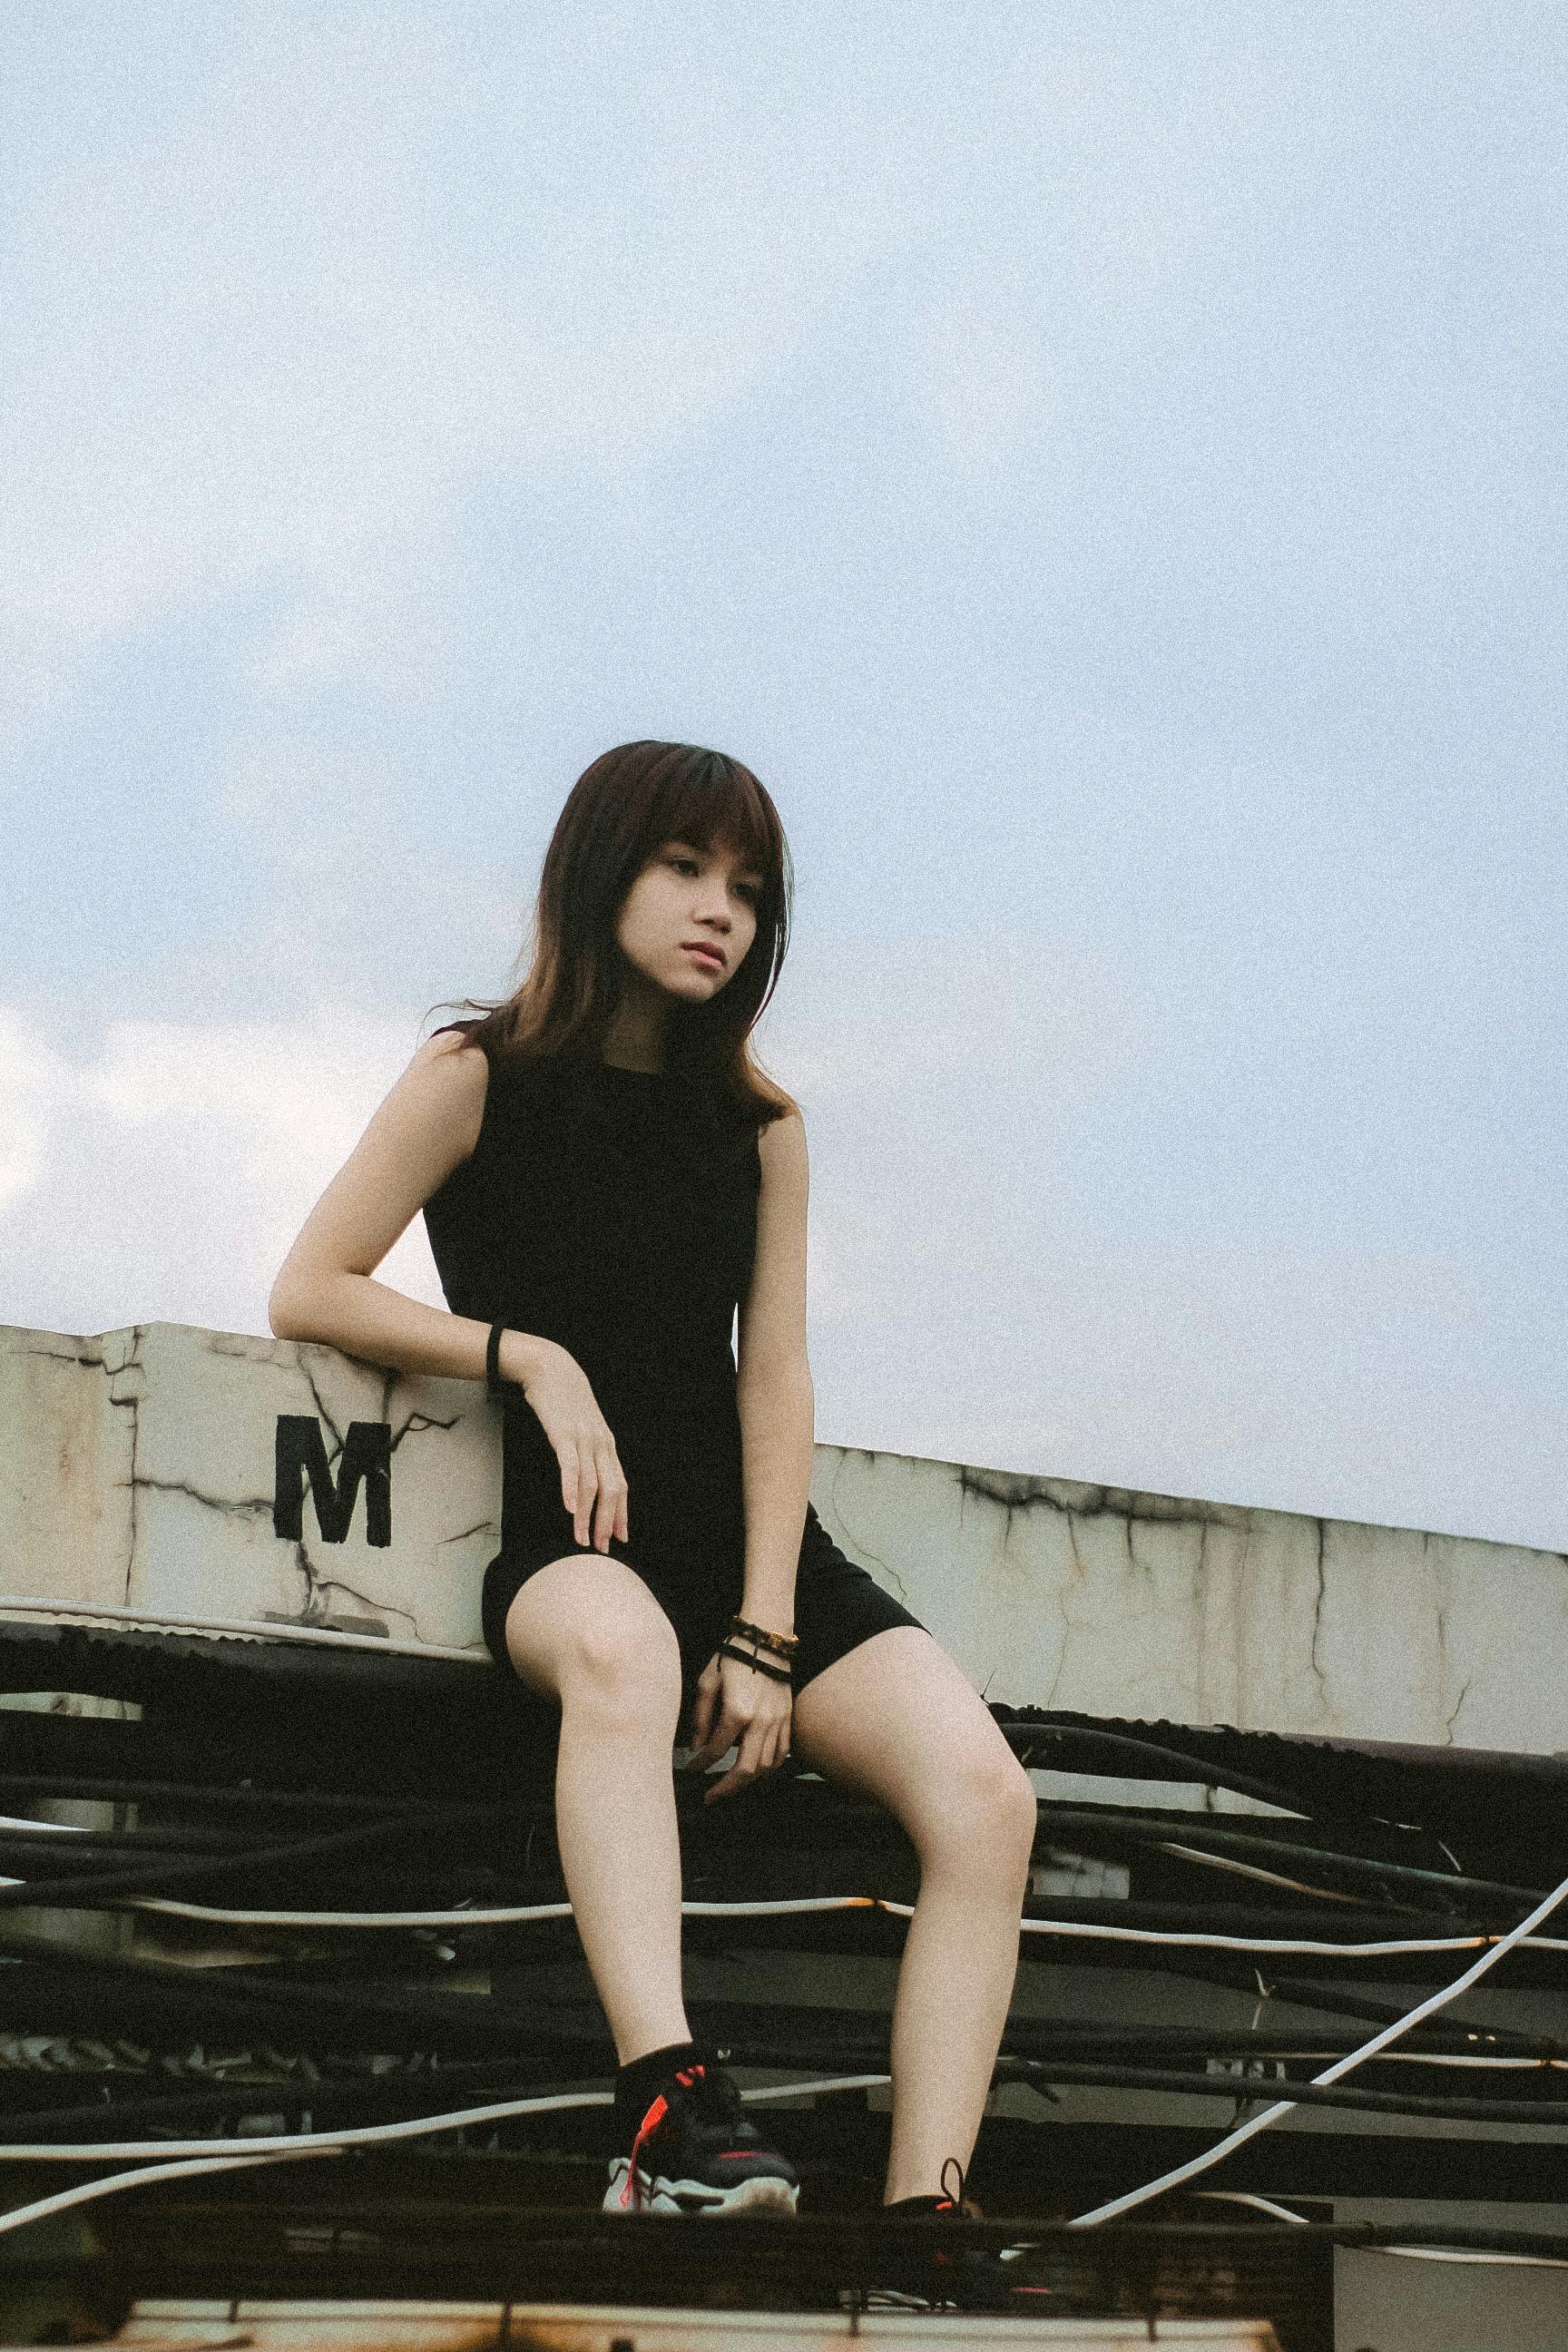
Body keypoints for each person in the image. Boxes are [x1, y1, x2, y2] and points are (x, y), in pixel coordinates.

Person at [268, 740, 1039, 2264]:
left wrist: (764, 1630)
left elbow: (777, 1378)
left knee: (990, 1798)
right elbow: (309, 1284)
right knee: (618, 1659)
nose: (720, 914)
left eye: (748, 891)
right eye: (685, 870)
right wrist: (529, 1359)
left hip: (757, 1554)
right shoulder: (473, 1075)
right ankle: (667, 2104)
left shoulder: (760, 1125)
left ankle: (928, 2216)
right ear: (600, 871)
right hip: (579, 1542)